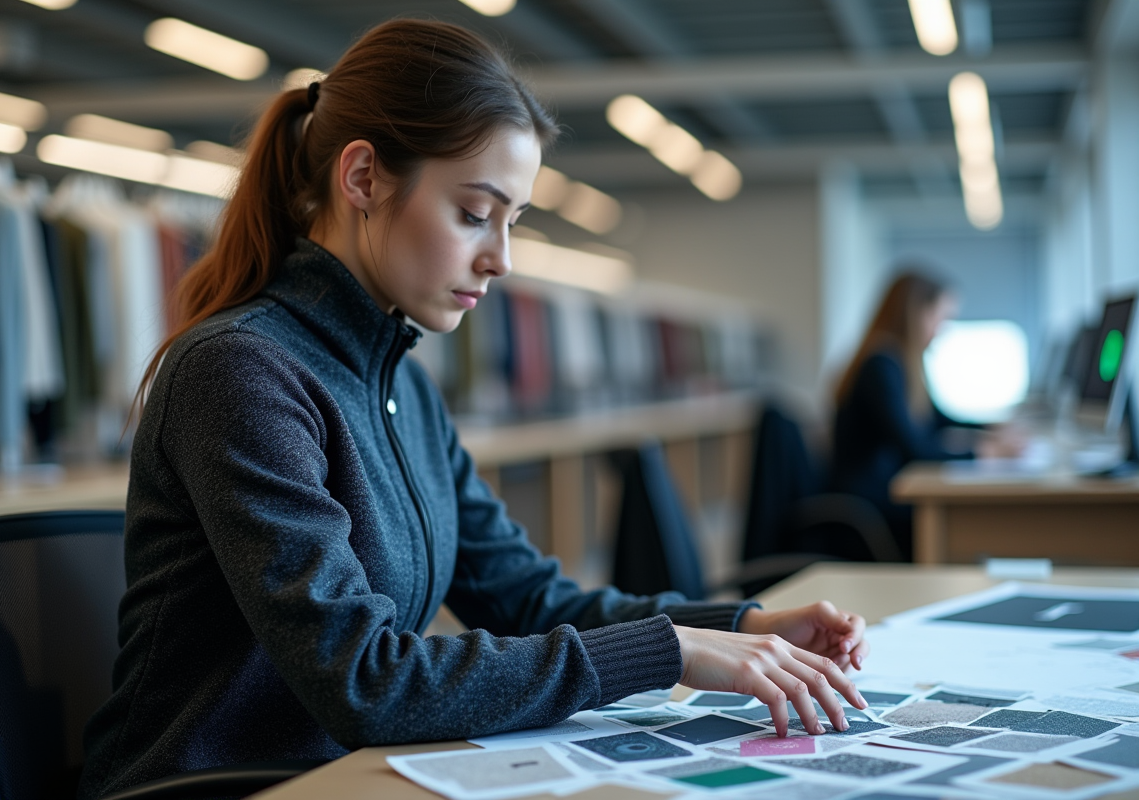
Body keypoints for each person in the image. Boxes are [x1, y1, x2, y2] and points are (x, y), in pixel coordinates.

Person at [79, 20, 870, 798]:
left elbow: (530, 600)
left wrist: (738, 629)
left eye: (511, 222)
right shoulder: (240, 372)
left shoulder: (403, 386)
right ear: (363, 178)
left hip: (345, 778)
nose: (502, 259)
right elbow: (367, 681)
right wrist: (669, 654)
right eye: (474, 214)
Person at [830, 271, 1022, 561]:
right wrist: (986, 452)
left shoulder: (900, 363)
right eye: (940, 318)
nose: (942, 330)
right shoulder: (880, 366)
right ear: (916, 313)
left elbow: (938, 420)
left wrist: (991, 427)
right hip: (870, 504)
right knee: (970, 520)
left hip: (887, 492)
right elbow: (915, 448)